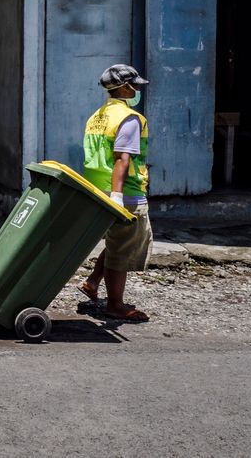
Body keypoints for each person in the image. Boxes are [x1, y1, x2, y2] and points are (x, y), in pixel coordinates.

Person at [78, 63, 153, 323]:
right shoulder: (130, 119)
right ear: (124, 87)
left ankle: (93, 281)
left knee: (116, 242)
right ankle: (115, 304)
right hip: (124, 193)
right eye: (134, 86)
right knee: (122, 249)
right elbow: (122, 159)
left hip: (98, 191)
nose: (137, 90)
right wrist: (118, 197)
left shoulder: (97, 117)